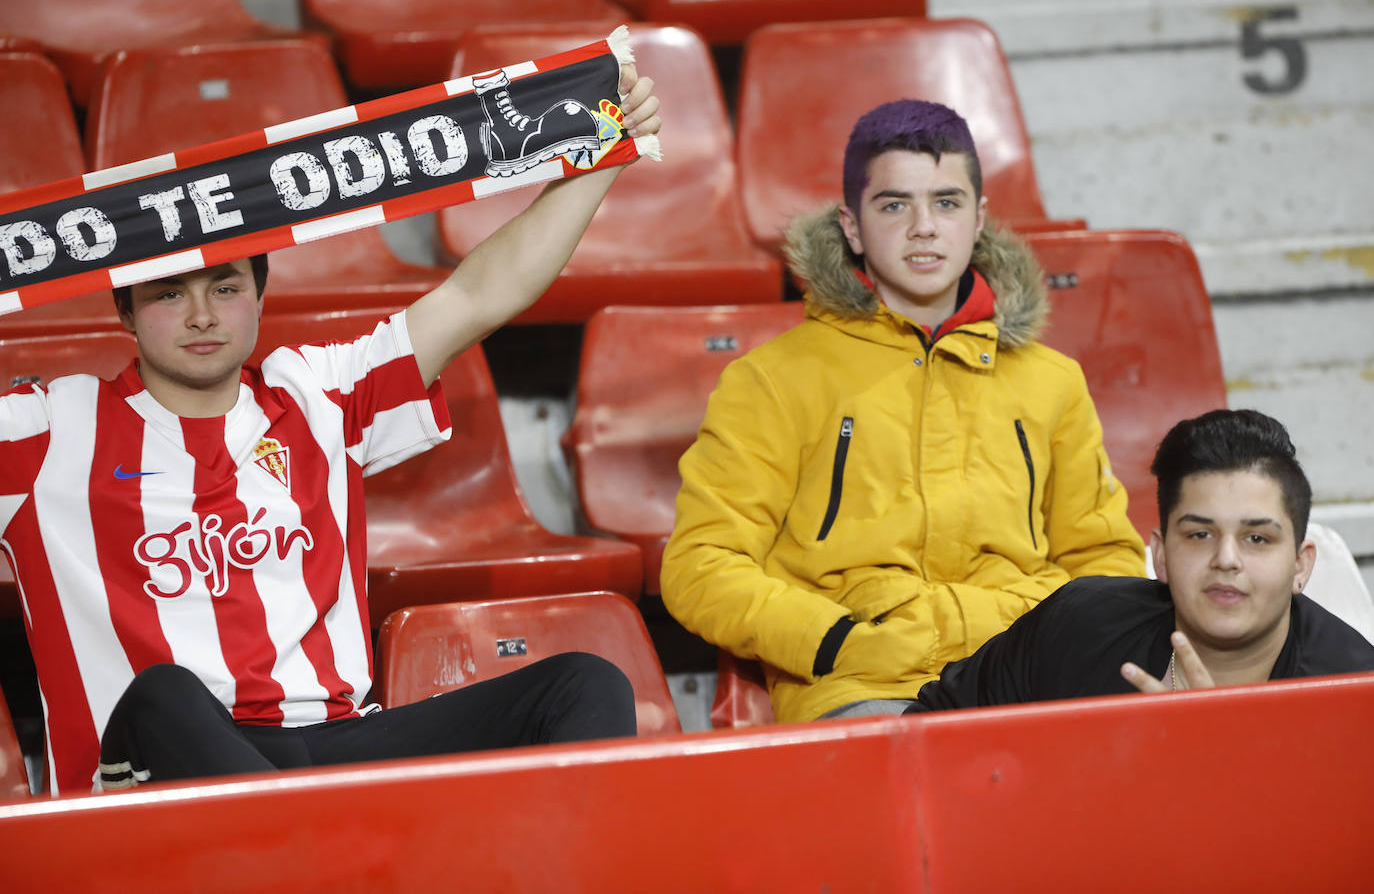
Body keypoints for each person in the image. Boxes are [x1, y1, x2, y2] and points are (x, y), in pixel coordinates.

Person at [0, 67, 662, 794]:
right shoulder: (48, 427)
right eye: (168, 294)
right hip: (159, 766)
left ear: (258, 295)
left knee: (583, 682)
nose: (201, 316)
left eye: (225, 288)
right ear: (123, 312)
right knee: (164, 694)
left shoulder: (316, 393)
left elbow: (479, 293)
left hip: (331, 747)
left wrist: (607, 144)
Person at [660, 99, 1145, 723]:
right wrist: (834, 641)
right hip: (865, 685)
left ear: (979, 221)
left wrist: (1048, 633)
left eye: (946, 202)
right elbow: (702, 565)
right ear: (853, 226)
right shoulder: (771, 381)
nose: (924, 227)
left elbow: (1105, 561)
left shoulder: (1053, 382)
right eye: (895, 205)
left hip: (1030, 673)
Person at [907, 409, 1374, 712]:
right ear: (1161, 555)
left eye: (1256, 537)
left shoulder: (1355, 693)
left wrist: (1228, 753)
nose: (1226, 559)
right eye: (1199, 534)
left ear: (1300, 565)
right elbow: (932, 727)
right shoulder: (1077, 626)